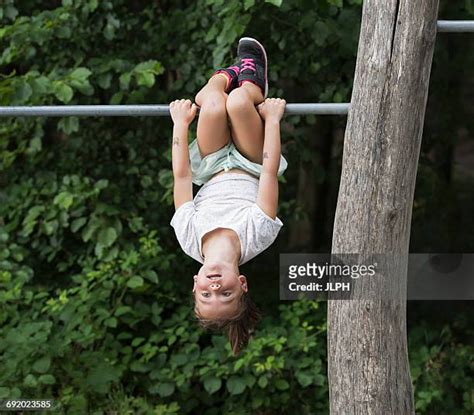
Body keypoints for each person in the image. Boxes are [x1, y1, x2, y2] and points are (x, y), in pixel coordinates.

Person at [169, 37, 288, 354]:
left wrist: (180, 125)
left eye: (206, 295)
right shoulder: (257, 236)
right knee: (237, 103)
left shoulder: (188, 236)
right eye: (226, 295)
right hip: (251, 161)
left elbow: (182, 177)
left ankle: (233, 72)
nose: (215, 288)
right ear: (243, 284)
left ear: (195, 284)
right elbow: (267, 171)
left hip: (213, 162)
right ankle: (252, 79)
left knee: (209, 102)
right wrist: (272, 121)